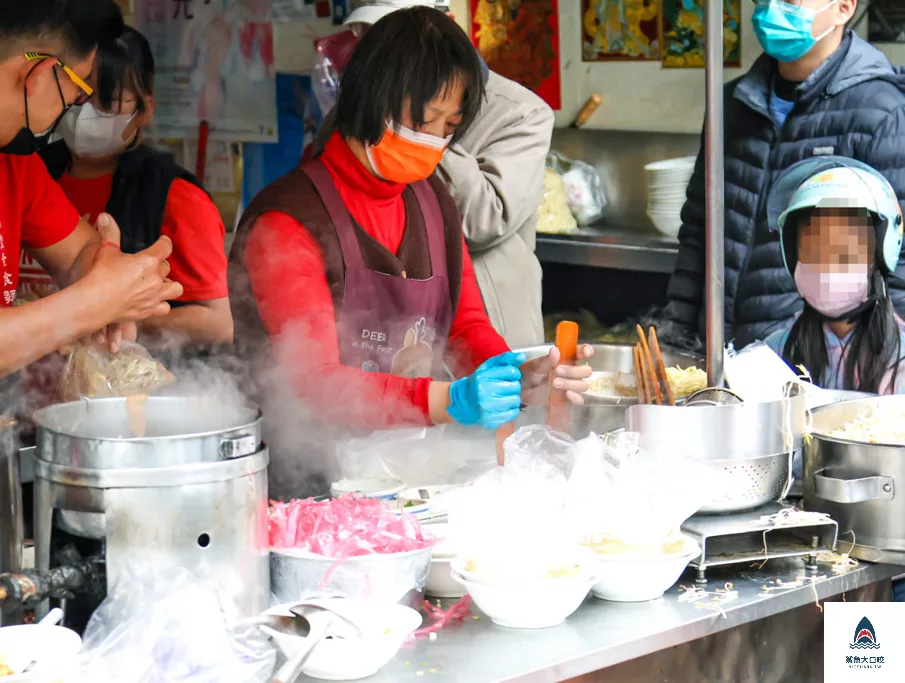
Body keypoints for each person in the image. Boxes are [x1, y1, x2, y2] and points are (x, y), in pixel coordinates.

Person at [229, 8, 590, 498]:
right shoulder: (288, 221)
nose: (434, 141)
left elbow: (464, 327)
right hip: (302, 491)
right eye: (423, 121)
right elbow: (312, 383)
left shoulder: (431, 199)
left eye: (449, 127)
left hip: (404, 476)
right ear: (373, 97)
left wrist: (515, 373)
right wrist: (449, 399)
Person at [309, 0, 553, 349]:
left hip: (487, 334)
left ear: (443, 29)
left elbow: (486, 221)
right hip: (387, 338)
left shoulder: (520, 113)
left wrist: (425, 132)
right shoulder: (361, 105)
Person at [665, 0, 905, 350]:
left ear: (843, 8)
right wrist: (676, 333)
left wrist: (879, 368)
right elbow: (699, 230)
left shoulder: (883, 113)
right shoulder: (730, 104)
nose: (772, 8)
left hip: (812, 365)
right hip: (720, 355)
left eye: (790, 1)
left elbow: (897, 262)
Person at [0, 0, 181, 380]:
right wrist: (94, 304)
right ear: (39, 75)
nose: (73, 111)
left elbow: (79, 250)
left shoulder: (15, 162)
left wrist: (111, 273)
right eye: (77, 94)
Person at [37, 26, 232, 347]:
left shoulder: (174, 195)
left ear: (145, 110)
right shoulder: (34, 172)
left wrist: (120, 313)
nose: (85, 112)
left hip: (126, 390)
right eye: (78, 95)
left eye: (107, 101)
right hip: (22, 388)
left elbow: (220, 322)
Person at [762, 157, 905, 393]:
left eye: (845, 252)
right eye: (814, 250)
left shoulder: (899, 362)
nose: (828, 265)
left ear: (878, 257)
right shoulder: (773, 357)